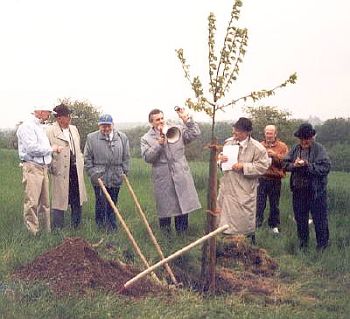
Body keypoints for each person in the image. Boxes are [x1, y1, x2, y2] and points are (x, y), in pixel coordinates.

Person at [141, 107, 201, 233]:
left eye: (162, 118)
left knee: (182, 206)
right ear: (151, 122)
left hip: (181, 173)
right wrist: (158, 145)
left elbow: (195, 133)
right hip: (163, 177)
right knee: (165, 209)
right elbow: (147, 157)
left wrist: (187, 119)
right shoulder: (146, 138)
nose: (161, 121)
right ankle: (166, 239)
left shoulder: (176, 129)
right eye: (157, 120)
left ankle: (182, 235)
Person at [217, 117, 269, 240]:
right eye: (234, 131)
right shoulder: (229, 143)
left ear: (247, 132)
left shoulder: (258, 148)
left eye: (238, 132)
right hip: (227, 187)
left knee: (243, 221)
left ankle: (246, 245)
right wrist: (220, 160)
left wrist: (244, 166)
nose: (234, 134)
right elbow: (220, 159)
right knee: (224, 220)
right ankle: (225, 243)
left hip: (244, 190)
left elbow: (262, 167)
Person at [283, 123, 330, 251]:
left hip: (316, 192)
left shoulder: (320, 149)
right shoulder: (295, 149)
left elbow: (325, 168)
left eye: (307, 138)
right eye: (302, 138)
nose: (304, 141)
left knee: (320, 220)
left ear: (312, 137)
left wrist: (308, 165)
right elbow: (285, 163)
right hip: (298, 191)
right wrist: (294, 166)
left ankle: (322, 247)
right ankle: (303, 246)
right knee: (300, 219)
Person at [16, 107, 62, 235]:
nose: (49, 116)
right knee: (32, 201)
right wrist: (51, 149)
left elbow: (42, 148)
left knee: (45, 203)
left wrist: (51, 151)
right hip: (32, 167)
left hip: (43, 167)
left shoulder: (40, 127)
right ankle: (32, 232)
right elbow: (32, 149)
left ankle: (44, 231)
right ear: (40, 112)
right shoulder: (27, 127)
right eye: (48, 113)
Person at [84, 114, 130, 231]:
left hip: (116, 175)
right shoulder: (91, 138)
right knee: (101, 202)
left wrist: (124, 172)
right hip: (99, 176)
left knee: (113, 202)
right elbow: (87, 158)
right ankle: (100, 227)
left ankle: (112, 227)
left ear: (112, 125)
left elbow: (126, 157)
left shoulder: (122, 137)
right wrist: (93, 173)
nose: (106, 129)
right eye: (103, 126)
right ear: (99, 126)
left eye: (108, 126)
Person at [46, 103, 87, 229]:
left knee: (76, 197)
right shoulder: (50, 131)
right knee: (60, 199)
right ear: (59, 118)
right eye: (67, 116)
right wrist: (51, 167)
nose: (70, 118)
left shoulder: (73, 129)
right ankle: (58, 228)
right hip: (60, 170)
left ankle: (76, 226)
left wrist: (81, 161)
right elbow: (46, 151)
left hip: (75, 168)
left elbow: (78, 148)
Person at [256, 125, 289, 234]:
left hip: (275, 179)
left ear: (275, 134)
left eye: (271, 133)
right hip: (262, 178)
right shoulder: (259, 146)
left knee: (274, 204)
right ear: (264, 134)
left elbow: (287, 162)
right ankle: (257, 224)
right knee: (260, 203)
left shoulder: (282, 146)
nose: (269, 135)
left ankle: (274, 225)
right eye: (267, 133)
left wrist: (275, 155)